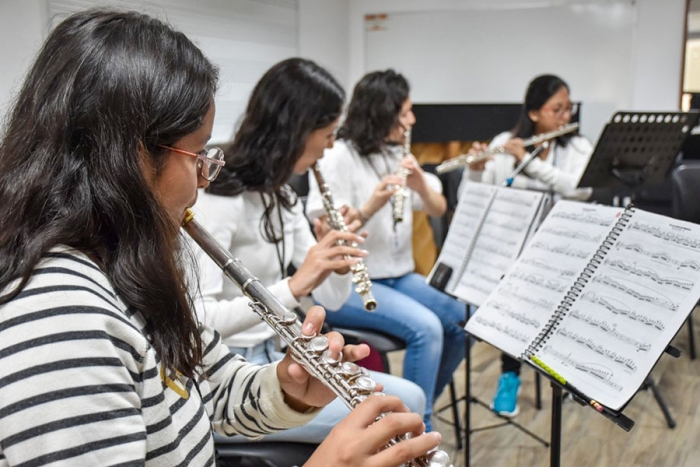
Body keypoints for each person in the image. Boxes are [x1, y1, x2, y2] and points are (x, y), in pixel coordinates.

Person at [0, 9, 443, 467]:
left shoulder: (128, 266)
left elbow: (212, 386)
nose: (202, 181)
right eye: (197, 154)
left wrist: (289, 388)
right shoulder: (63, 322)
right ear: (128, 156)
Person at [191, 58, 426, 444]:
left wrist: (332, 257)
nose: (332, 144)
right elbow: (198, 321)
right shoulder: (220, 195)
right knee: (400, 411)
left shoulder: (281, 193)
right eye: (328, 133)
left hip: (280, 359)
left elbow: (332, 300)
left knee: (408, 400)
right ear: (297, 131)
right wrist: (295, 284)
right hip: (227, 375)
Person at [305, 69, 467, 431]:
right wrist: (371, 206)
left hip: (399, 275)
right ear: (382, 113)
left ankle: (416, 409)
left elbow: (438, 209)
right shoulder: (338, 157)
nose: (412, 120)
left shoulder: (396, 151)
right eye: (405, 112)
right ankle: (415, 429)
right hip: (353, 285)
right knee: (427, 328)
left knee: (460, 316)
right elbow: (327, 232)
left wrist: (421, 184)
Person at [461, 74, 594, 417]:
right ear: (534, 113)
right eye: (557, 109)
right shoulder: (506, 142)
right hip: (516, 249)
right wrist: (474, 171)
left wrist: (532, 163)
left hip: (566, 248)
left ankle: (563, 375)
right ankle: (509, 377)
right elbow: (474, 198)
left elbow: (580, 189)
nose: (566, 117)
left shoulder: (579, 147)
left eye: (568, 108)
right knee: (513, 303)